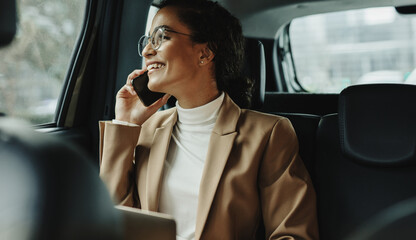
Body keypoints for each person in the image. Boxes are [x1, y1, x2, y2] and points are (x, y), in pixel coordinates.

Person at [99, 0, 319, 239]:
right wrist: (125, 124)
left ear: (205, 53)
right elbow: (110, 220)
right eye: (147, 39)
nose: (146, 51)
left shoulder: (269, 133)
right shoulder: (147, 129)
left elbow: (292, 234)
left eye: (161, 37)